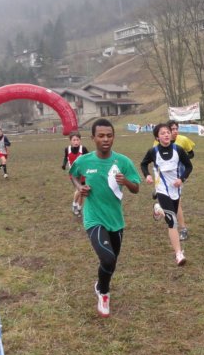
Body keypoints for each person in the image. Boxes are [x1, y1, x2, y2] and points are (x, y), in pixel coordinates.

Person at [68, 118, 140, 318]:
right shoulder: (84, 161)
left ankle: (100, 285)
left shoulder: (123, 162)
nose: (105, 139)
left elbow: (136, 188)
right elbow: (73, 174)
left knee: (111, 262)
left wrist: (126, 181)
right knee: (107, 258)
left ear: (113, 137)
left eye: (109, 135)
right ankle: (104, 294)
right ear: (93, 138)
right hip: (94, 218)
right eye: (101, 136)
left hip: (115, 220)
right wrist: (80, 187)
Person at [141, 123, 193, 266]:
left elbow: (189, 166)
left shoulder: (178, 150)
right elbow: (143, 164)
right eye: (162, 133)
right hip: (162, 189)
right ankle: (179, 253)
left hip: (175, 189)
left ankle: (158, 209)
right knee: (172, 221)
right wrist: (147, 175)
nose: (166, 135)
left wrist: (181, 179)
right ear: (157, 137)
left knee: (172, 215)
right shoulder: (153, 151)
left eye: (168, 132)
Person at [164, 120, 195, 241]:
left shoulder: (183, 140)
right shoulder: (159, 141)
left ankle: (183, 229)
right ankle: (159, 209)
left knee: (177, 203)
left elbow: (191, 154)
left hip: (178, 177)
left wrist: (181, 157)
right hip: (164, 177)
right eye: (172, 129)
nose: (175, 131)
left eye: (176, 128)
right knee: (169, 203)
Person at [62, 131, 89, 216]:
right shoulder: (67, 149)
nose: (76, 142)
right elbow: (66, 157)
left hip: (83, 173)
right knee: (79, 189)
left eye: (77, 140)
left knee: (82, 191)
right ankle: (74, 205)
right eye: (74, 140)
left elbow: (89, 158)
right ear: (70, 141)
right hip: (73, 174)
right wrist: (64, 164)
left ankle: (79, 208)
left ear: (80, 140)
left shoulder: (83, 149)